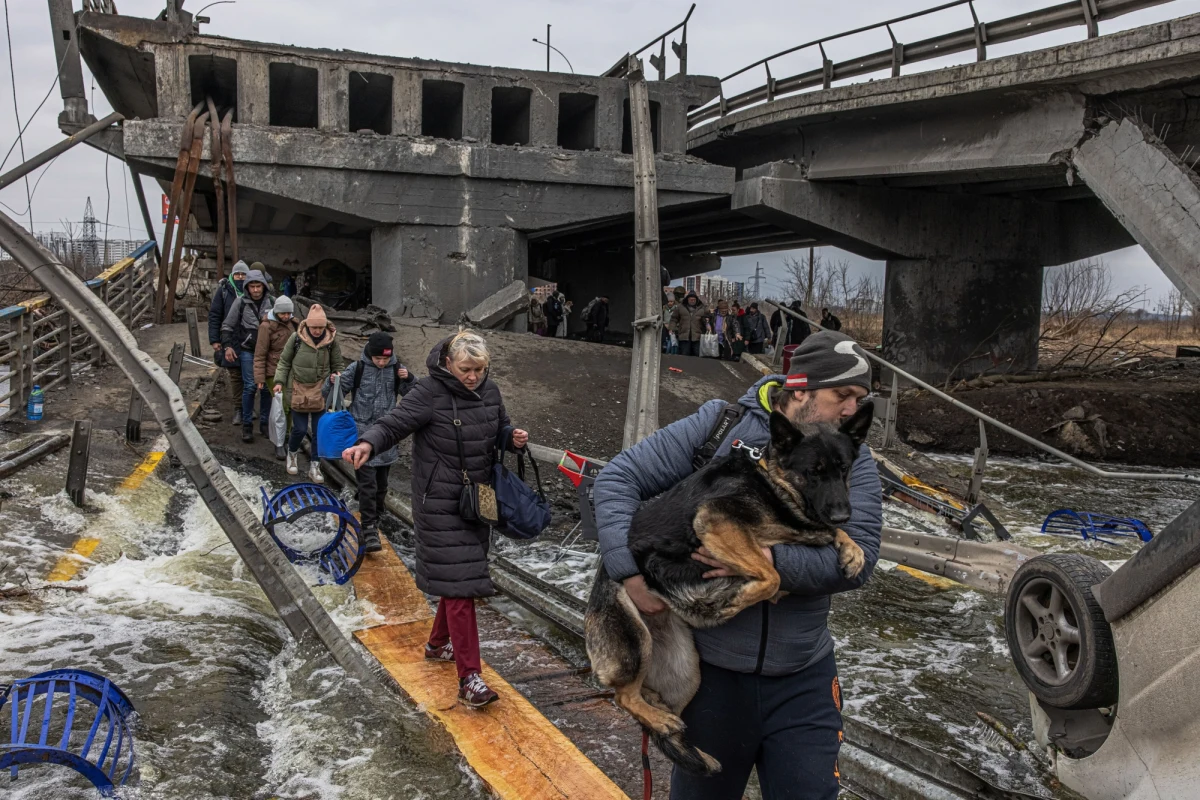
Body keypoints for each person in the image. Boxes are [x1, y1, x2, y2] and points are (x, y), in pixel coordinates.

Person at [594, 330, 882, 800]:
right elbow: (616, 479)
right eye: (842, 395)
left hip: (803, 678)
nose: (852, 408)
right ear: (801, 389)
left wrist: (766, 561)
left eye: (860, 398)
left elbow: (859, 559)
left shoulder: (850, 458)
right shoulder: (721, 425)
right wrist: (629, 573)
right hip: (714, 677)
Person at [342, 330, 530, 709]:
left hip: (476, 502)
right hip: (438, 504)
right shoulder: (428, 392)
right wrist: (367, 443)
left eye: (479, 369)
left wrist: (512, 439)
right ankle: (470, 679)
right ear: (448, 363)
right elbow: (393, 423)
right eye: (466, 369)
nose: (473, 376)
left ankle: (437, 643)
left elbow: (498, 429)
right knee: (462, 586)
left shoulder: (489, 392)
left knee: (458, 578)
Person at [329, 332, 415, 552]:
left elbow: (416, 397)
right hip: (360, 437)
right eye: (378, 359)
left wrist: (409, 379)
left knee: (381, 487)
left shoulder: (397, 370)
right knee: (368, 485)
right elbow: (331, 394)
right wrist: (332, 383)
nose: (381, 362)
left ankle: (375, 517)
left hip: (387, 438)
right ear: (370, 354)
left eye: (385, 359)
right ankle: (368, 529)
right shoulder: (357, 368)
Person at [274, 303, 343, 482]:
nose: (318, 330)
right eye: (314, 327)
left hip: (321, 390)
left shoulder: (331, 341)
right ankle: (292, 453)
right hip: (298, 389)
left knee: (320, 431)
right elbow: (284, 362)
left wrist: (337, 376)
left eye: (320, 327)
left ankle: (315, 465)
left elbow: (337, 365)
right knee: (300, 429)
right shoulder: (296, 339)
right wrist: (279, 381)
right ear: (308, 325)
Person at [221, 268, 275, 443]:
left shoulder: (272, 302)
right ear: (247, 287)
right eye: (252, 286)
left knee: (267, 388)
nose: (256, 290)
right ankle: (247, 425)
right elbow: (227, 325)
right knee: (250, 386)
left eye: (258, 286)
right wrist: (227, 346)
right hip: (248, 350)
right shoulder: (240, 303)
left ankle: (265, 423)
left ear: (264, 286)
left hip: (268, 352)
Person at [254, 295, 299, 459]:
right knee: (282, 407)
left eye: (289, 313)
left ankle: (286, 438)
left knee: (291, 407)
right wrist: (259, 378)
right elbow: (260, 354)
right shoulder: (266, 327)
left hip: (292, 371)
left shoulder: (295, 324)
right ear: (277, 312)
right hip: (273, 371)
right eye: (283, 314)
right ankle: (279, 443)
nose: (286, 316)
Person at [208, 260, 247, 425]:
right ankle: (239, 408)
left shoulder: (253, 289)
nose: (240, 277)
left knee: (249, 376)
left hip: (249, 339)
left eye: (243, 274)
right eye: (237, 274)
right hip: (230, 338)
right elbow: (215, 315)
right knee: (235, 375)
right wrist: (215, 340)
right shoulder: (224, 291)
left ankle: (248, 406)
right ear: (232, 275)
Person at [669, 291, 708, 357]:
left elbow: (707, 319)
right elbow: (674, 319)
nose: (692, 301)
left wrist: (707, 324)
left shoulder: (702, 308)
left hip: (697, 336)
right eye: (691, 299)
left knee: (696, 356)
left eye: (694, 299)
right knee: (684, 355)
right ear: (687, 299)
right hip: (684, 336)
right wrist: (671, 328)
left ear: (696, 299)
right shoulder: (680, 307)